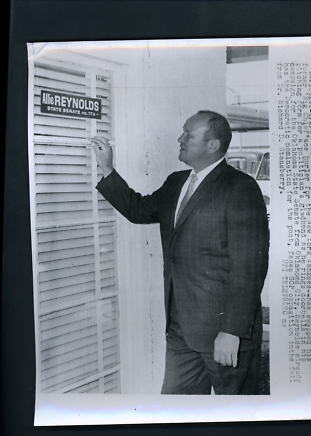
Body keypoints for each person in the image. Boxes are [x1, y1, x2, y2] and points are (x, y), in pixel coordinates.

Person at [91, 110, 269, 395]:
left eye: (188, 134)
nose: (180, 138)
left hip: (225, 334)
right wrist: (108, 170)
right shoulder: (176, 182)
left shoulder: (240, 188)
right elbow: (139, 210)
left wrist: (232, 331)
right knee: (176, 409)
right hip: (181, 331)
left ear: (212, 145)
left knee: (236, 417)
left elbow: (250, 266)